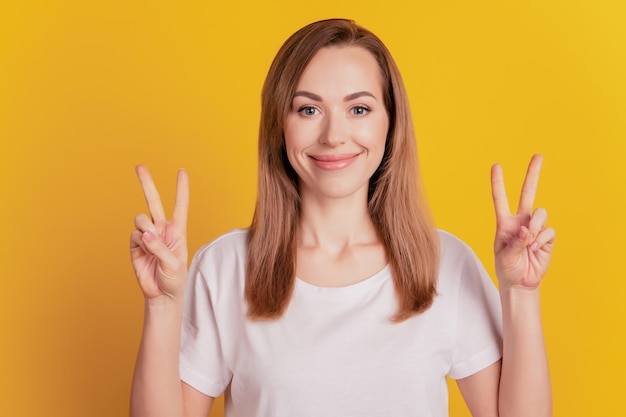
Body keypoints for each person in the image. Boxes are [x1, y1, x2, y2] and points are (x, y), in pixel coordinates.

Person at [129, 18, 554, 417]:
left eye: (359, 109)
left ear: (391, 123)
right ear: (280, 125)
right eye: (308, 109)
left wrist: (521, 294)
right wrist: (163, 305)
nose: (333, 135)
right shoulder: (225, 267)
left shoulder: (445, 264)